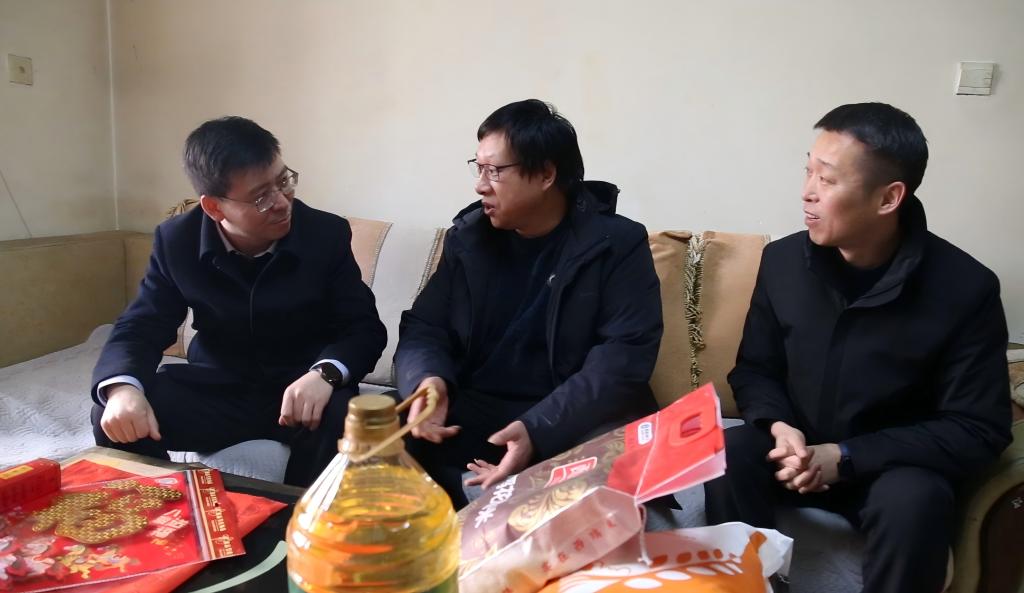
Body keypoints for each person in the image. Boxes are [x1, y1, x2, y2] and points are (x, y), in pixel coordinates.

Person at [703, 102, 1012, 593]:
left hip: (889, 468)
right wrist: (780, 427)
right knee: (728, 450)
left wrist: (846, 456)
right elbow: (755, 369)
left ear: (889, 198)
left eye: (827, 179)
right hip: (794, 452)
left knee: (916, 499)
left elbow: (977, 428)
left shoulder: (964, 288)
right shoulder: (782, 262)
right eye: (808, 171)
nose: (807, 192)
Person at [395, 99, 663, 508]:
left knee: (606, 470)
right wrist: (428, 382)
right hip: (477, 413)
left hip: (571, 418)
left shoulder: (616, 245)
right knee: (374, 434)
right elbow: (425, 326)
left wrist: (538, 430)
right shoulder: (469, 239)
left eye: (494, 171)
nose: (480, 185)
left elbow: (622, 359)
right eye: (478, 168)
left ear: (545, 175)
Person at [90, 116, 387, 486]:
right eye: (261, 197)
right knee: (114, 415)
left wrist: (324, 374)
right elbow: (141, 325)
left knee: (346, 416)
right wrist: (122, 389)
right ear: (214, 207)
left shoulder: (325, 233)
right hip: (220, 387)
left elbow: (363, 328)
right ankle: (175, 507)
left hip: (303, 388)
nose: (281, 202)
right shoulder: (177, 241)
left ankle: (295, 515)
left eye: (283, 181)